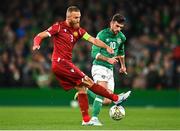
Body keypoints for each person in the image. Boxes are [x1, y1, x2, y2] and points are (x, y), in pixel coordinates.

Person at [32, 6, 131, 126]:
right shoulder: (58, 27)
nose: (78, 20)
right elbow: (40, 35)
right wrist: (36, 44)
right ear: (68, 17)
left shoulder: (78, 31)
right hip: (60, 62)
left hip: (65, 64)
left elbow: (93, 40)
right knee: (88, 81)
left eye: (79, 17)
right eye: (76, 18)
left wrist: (106, 47)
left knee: (81, 88)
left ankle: (86, 120)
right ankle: (116, 98)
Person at [85, 13, 130, 126]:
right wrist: (107, 59)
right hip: (99, 66)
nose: (118, 29)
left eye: (121, 27)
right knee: (101, 91)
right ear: (111, 23)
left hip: (110, 69)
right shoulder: (102, 35)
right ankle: (94, 119)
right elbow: (94, 53)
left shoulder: (121, 37)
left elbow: (121, 52)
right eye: (117, 26)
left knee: (107, 100)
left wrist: (123, 66)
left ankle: (87, 89)